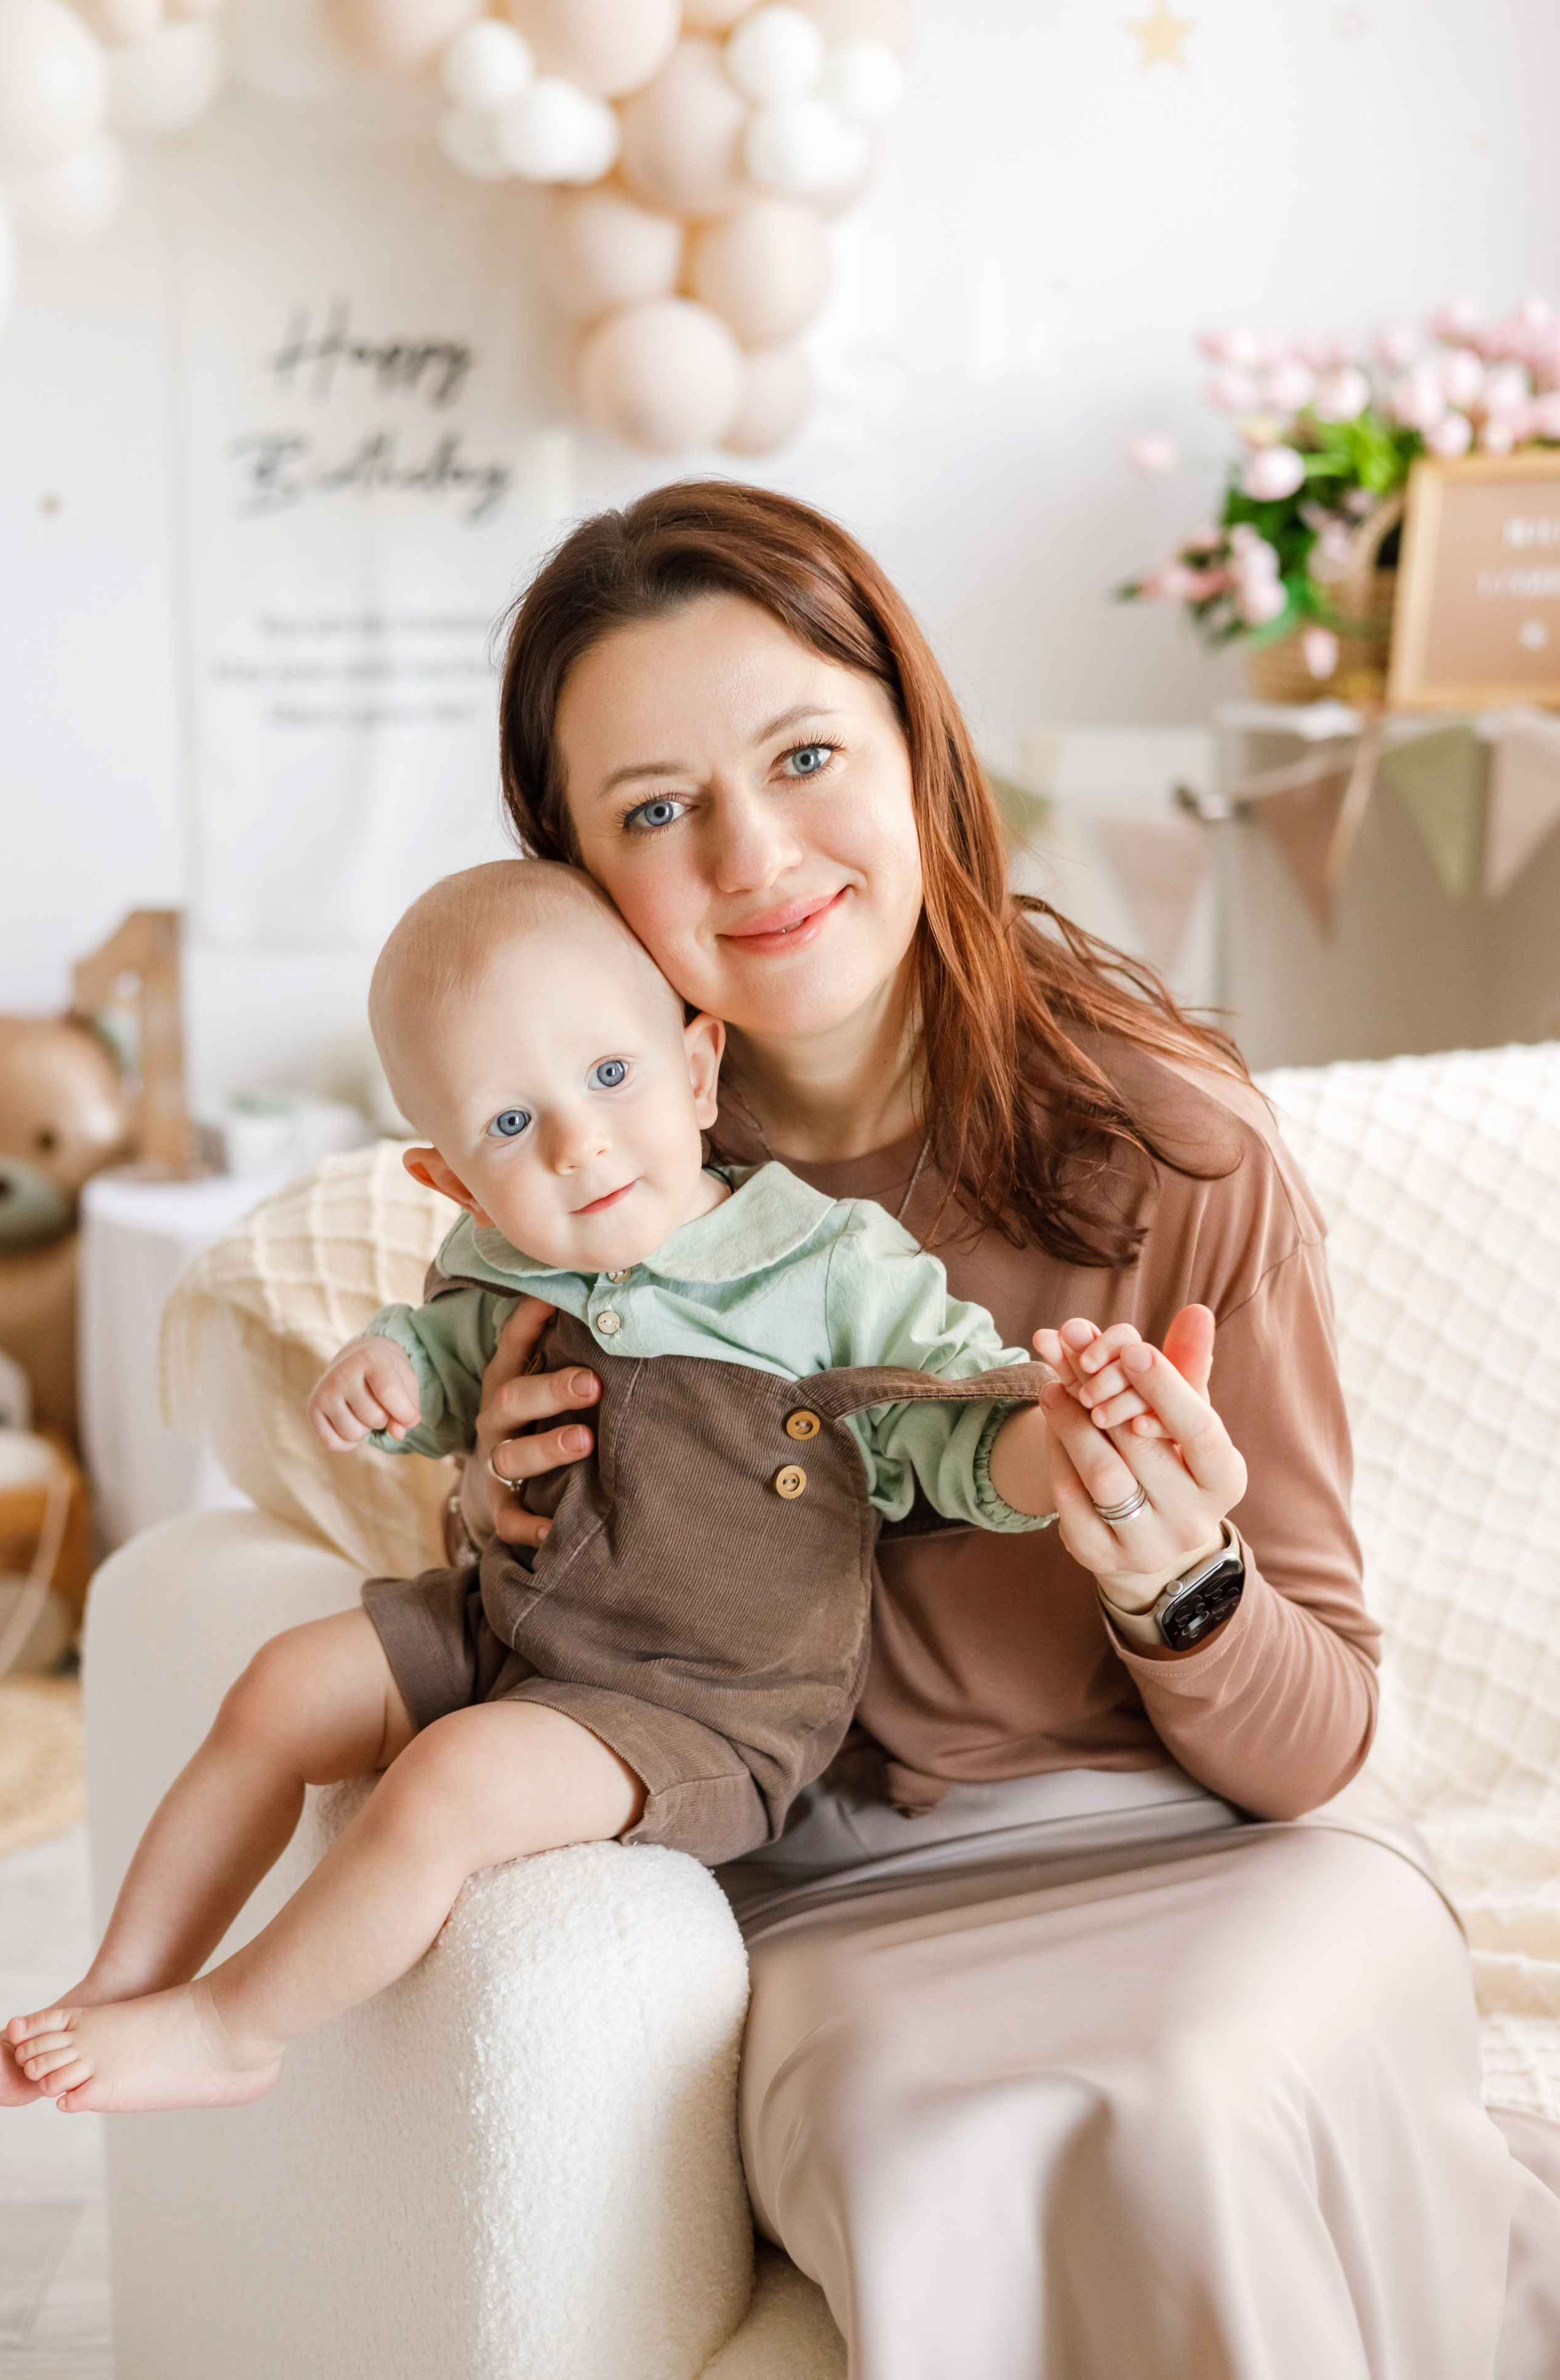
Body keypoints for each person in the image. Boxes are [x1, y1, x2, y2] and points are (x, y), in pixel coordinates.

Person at [441, 482, 1560, 2378]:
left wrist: (1180, 1583)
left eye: (804, 756)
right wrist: (493, 1523)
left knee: (1197, 2101)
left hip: (1224, 1864)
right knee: (931, 2143)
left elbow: (1321, 1742)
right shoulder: (565, 1199)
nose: (754, 854)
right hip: (838, 1906)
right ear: (572, 871)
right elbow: (562, 1704)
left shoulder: (1164, 1146)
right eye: (654, 809)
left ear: (918, 752)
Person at [0, 855, 1183, 2115]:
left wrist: (1067, 1440)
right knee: (283, 1686)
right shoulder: (500, 1258)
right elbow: (439, 1367)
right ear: (448, 1180)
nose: (577, 1141)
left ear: (697, 1068)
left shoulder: (822, 1268)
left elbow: (956, 1432)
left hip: (702, 1705)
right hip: (508, 1625)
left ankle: (235, 2027)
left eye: (611, 1076)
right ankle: (122, 1977)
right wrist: (382, 1372)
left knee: (452, 1783)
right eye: (508, 1124)